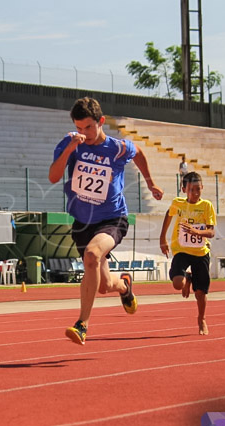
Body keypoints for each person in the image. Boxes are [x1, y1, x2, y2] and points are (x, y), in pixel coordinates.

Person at [48, 97, 163, 345]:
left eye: (88, 127)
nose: (84, 133)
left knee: (91, 255)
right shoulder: (71, 144)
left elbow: (139, 152)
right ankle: (124, 286)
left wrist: (150, 182)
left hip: (112, 217)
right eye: (79, 128)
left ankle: (82, 325)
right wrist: (70, 148)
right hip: (82, 221)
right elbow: (53, 177)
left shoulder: (117, 148)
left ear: (101, 122)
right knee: (104, 285)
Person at [159, 171, 216, 335]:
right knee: (177, 283)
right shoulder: (178, 203)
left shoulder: (206, 206)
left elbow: (211, 232)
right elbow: (168, 215)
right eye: (191, 190)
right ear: (184, 189)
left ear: (202, 188)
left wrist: (197, 233)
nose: (195, 193)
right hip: (182, 250)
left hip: (200, 252)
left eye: (198, 189)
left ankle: (202, 318)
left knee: (200, 293)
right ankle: (187, 278)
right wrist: (162, 238)